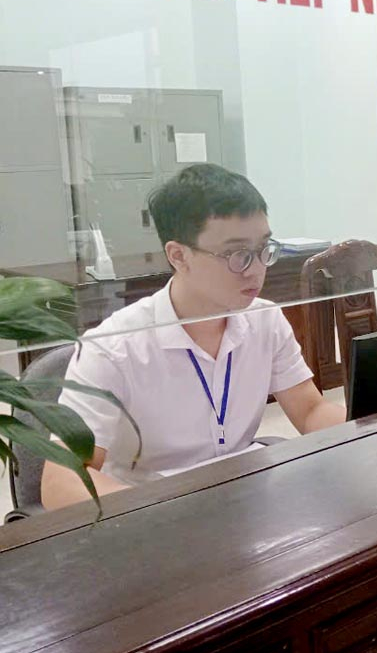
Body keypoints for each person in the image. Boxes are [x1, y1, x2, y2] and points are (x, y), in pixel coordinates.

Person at [42, 164, 346, 509]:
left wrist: (374, 429)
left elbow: (310, 411)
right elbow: (62, 479)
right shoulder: (114, 347)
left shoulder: (265, 319)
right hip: (151, 516)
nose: (256, 269)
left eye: (263, 249)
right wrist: (159, 515)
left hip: (244, 502)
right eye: (237, 255)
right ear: (179, 256)